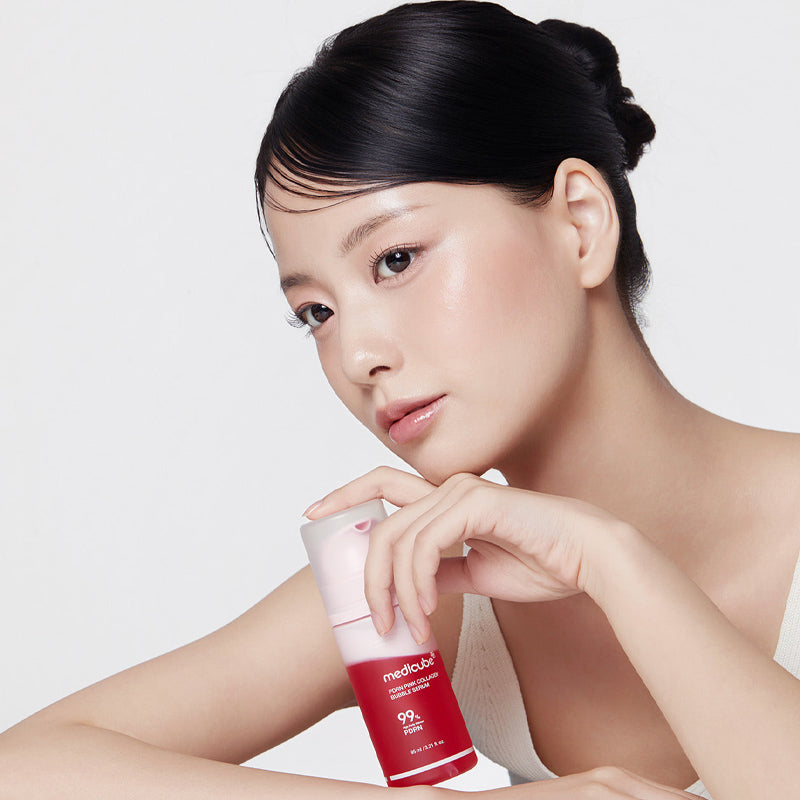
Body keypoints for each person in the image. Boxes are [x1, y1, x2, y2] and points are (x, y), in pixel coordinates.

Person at [1, 2, 798, 799]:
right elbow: (28, 770)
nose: (357, 356)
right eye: (317, 311)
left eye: (396, 259)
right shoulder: (427, 585)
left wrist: (613, 561)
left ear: (581, 225)